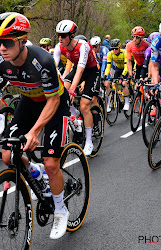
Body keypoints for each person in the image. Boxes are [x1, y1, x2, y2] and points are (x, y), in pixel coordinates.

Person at [0, 12, 70, 240]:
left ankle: (60, 209)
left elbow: (52, 101)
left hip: (55, 102)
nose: (2, 47)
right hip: (29, 101)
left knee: (51, 164)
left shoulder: (42, 60)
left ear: (22, 40)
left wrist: (34, 133)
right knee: (7, 156)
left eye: (8, 42)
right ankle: (35, 173)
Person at [53, 19, 100, 156]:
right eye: (58, 35)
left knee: (85, 106)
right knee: (61, 93)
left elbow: (80, 70)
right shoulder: (59, 46)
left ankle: (89, 141)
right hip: (77, 70)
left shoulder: (83, 46)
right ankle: (74, 114)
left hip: (91, 71)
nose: (60, 38)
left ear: (71, 35)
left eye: (63, 35)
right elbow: (53, 67)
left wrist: (73, 89)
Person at [103, 39, 129, 111]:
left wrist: (123, 76)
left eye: (116, 48)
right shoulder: (110, 54)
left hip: (126, 68)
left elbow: (126, 67)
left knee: (123, 84)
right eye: (112, 48)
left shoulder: (124, 53)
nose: (114, 50)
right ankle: (118, 98)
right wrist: (105, 76)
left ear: (119, 47)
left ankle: (127, 102)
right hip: (118, 68)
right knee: (114, 84)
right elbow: (108, 67)